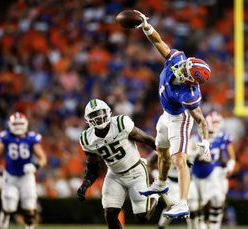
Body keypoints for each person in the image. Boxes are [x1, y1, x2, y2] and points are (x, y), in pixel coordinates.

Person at [135, 10, 212, 218]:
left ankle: (183, 203)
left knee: (180, 159)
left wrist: (205, 142)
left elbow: (200, 120)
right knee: (161, 152)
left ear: (191, 80)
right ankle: (160, 183)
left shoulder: (190, 94)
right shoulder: (177, 59)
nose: (182, 68)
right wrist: (146, 27)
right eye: (186, 65)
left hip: (180, 119)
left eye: (186, 71)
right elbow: (159, 42)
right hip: (165, 115)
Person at [77, 99, 158, 229]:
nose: (98, 118)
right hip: (114, 175)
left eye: (100, 113)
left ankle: (156, 192)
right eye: (94, 115)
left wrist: (167, 154)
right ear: (88, 119)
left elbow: (147, 139)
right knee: (110, 213)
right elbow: (93, 166)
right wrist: (86, 184)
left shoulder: (120, 123)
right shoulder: (87, 138)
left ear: (108, 112)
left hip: (135, 171)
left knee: (143, 217)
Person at [0, 112, 47, 229]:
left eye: (20, 123)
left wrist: (35, 166)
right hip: (10, 175)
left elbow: (42, 158)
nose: (17, 126)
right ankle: (5, 214)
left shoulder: (32, 138)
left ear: (25, 124)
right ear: (10, 124)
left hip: (26, 176)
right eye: (15, 124)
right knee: (9, 206)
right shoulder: (5, 137)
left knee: (29, 206)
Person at [191, 111, 236, 229]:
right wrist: (196, 154)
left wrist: (229, 165)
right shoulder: (196, 137)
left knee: (218, 199)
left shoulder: (223, 136)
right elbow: (189, 156)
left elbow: (230, 156)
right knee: (198, 202)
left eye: (217, 122)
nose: (215, 125)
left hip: (217, 171)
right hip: (198, 171)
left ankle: (214, 225)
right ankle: (201, 223)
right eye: (214, 122)